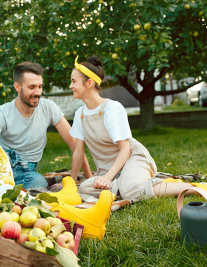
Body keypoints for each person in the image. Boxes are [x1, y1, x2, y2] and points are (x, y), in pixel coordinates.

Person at [68, 55, 199, 201]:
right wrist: (72, 185)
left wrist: (107, 177)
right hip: (110, 170)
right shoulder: (80, 114)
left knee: (130, 192)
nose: (70, 86)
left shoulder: (111, 109)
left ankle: (194, 189)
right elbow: (78, 152)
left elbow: (125, 149)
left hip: (132, 159)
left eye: (74, 81)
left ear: (89, 83)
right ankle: (128, 184)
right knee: (85, 187)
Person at [0, 61, 92, 189]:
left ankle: (8, 189)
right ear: (17, 87)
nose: (38, 92)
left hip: (28, 174)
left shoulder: (48, 107)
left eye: (40, 86)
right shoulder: (1, 113)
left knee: (39, 183)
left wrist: (89, 178)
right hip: (2, 169)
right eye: (32, 87)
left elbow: (74, 143)